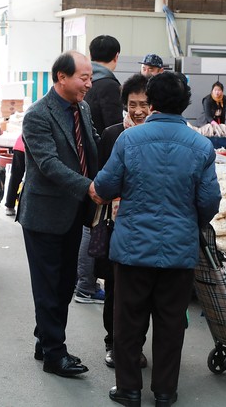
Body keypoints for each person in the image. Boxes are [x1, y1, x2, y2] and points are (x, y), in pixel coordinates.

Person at [92, 72, 221, 407]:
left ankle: (129, 390)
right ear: (186, 102)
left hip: (133, 249)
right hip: (178, 251)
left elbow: (105, 187)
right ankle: (165, 392)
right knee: (171, 323)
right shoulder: (201, 146)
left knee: (128, 322)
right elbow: (209, 202)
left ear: (151, 101)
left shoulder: (129, 140)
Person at [17, 50, 102, 378]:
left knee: (64, 282)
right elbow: (49, 164)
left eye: (90, 77)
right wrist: (89, 187)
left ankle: (44, 338)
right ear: (61, 78)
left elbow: (92, 146)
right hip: (44, 214)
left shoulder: (82, 108)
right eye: (84, 77)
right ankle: (55, 353)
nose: (89, 84)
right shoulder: (38, 115)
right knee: (48, 284)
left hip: (75, 211)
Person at [96, 73, 150, 369]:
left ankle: (136, 344)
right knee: (116, 288)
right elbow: (101, 179)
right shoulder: (112, 134)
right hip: (116, 225)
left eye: (144, 104)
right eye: (133, 104)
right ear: (125, 104)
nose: (138, 110)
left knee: (143, 292)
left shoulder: (157, 136)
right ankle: (112, 342)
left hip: (146, 226)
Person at [74, 34, 122, 305]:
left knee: (88, 222)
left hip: (86, 160)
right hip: (103, 162)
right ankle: (86, 285)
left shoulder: (84, 82)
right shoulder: (109, 86)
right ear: (116, 57)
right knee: (94, 224)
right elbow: (116, 128)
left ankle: (81, 281)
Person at [4, 134, 25, 216]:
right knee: (32, 178)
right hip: (31, 148)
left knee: (15, 178)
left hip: (19, 145)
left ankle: (9, 205)